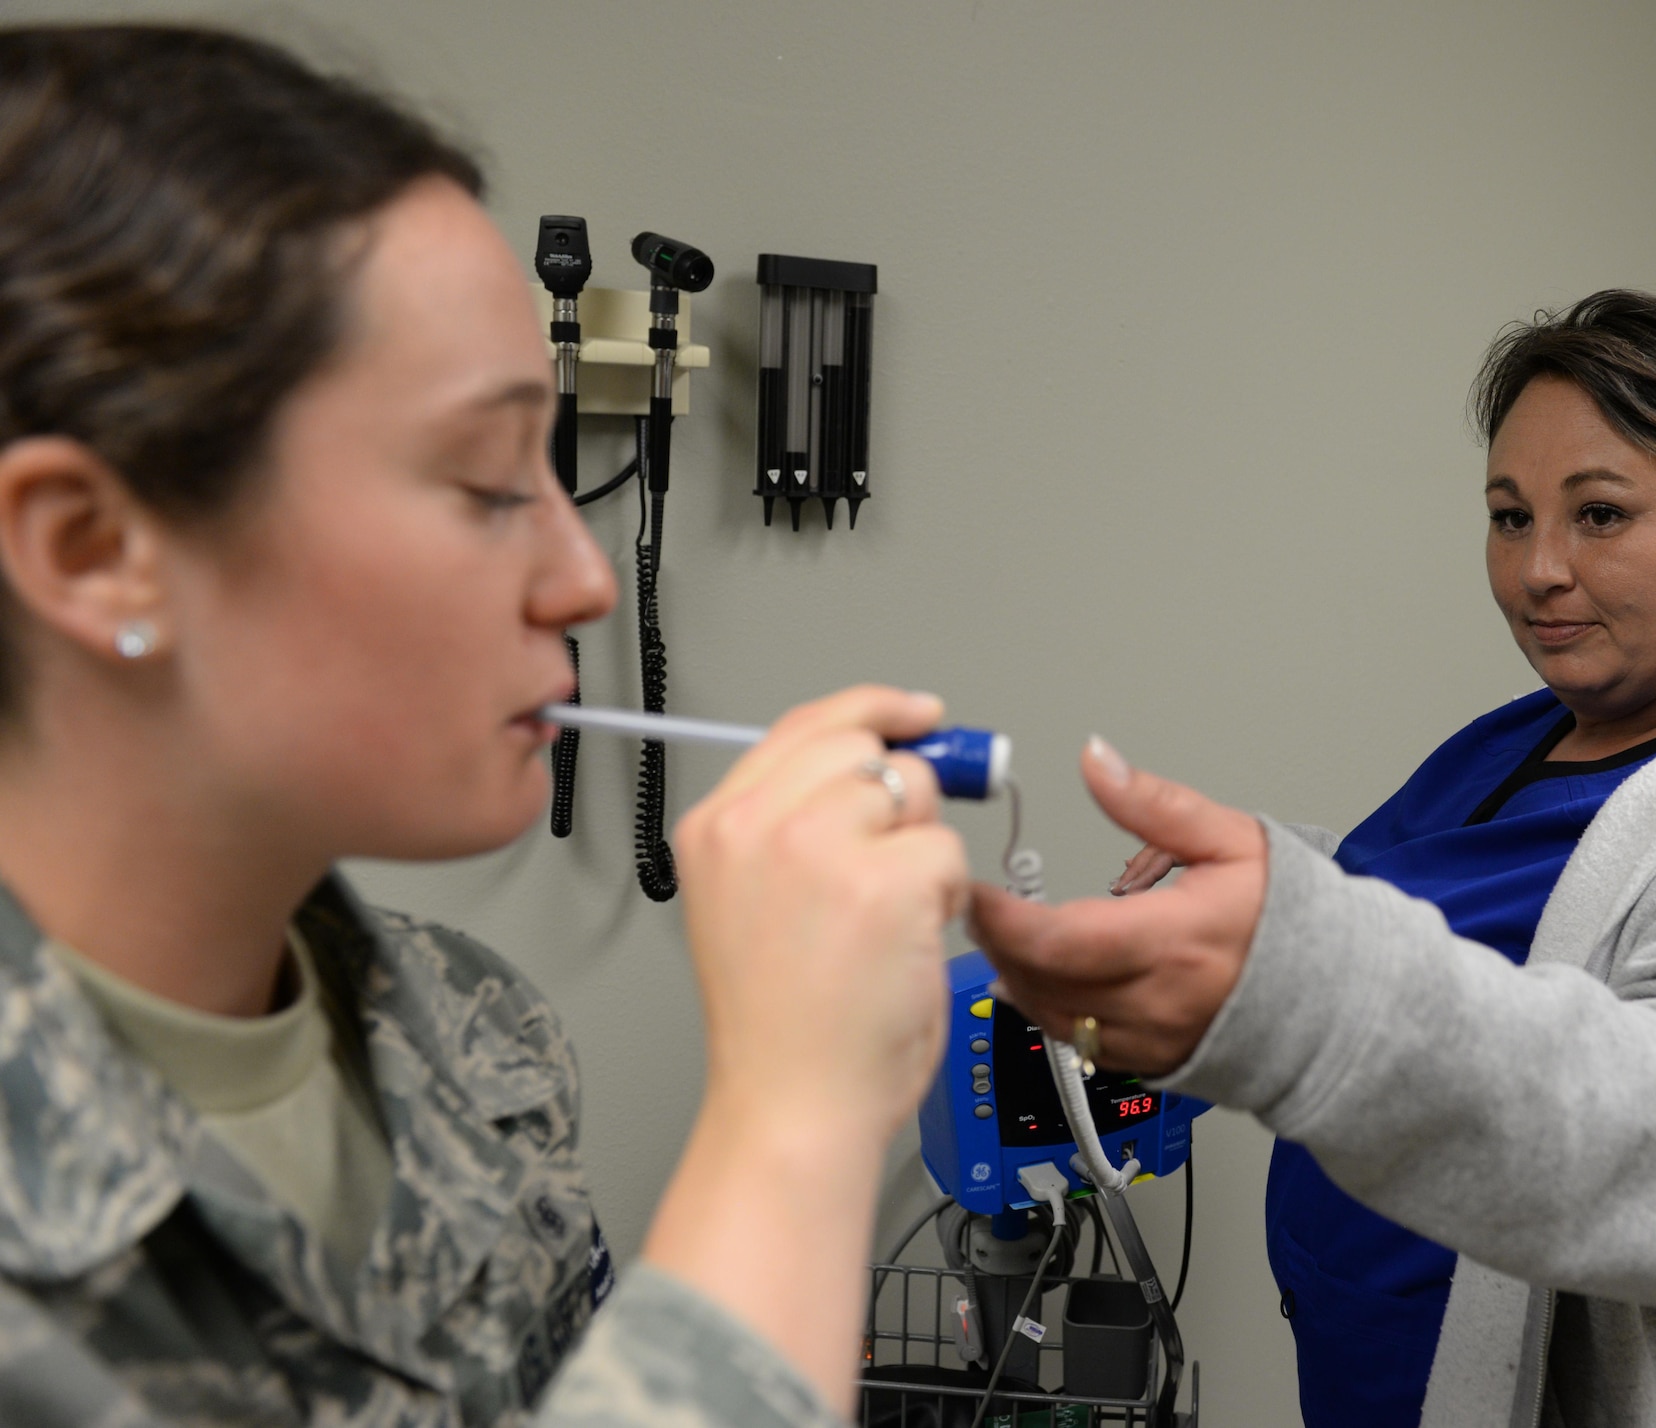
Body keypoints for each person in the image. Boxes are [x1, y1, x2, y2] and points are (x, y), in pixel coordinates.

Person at [0, 24, 966, 1428]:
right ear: (92, 551)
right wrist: (793, 1125)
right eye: (480, 479)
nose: (582, 580)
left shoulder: (478, 1044)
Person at [972, 291, 1656, 1427]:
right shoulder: (1536, 729)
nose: (1538, 569)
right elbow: (1492, 906)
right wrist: (1273, 879)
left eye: (1598, 515)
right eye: (1510, 517)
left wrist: (1303, 993)